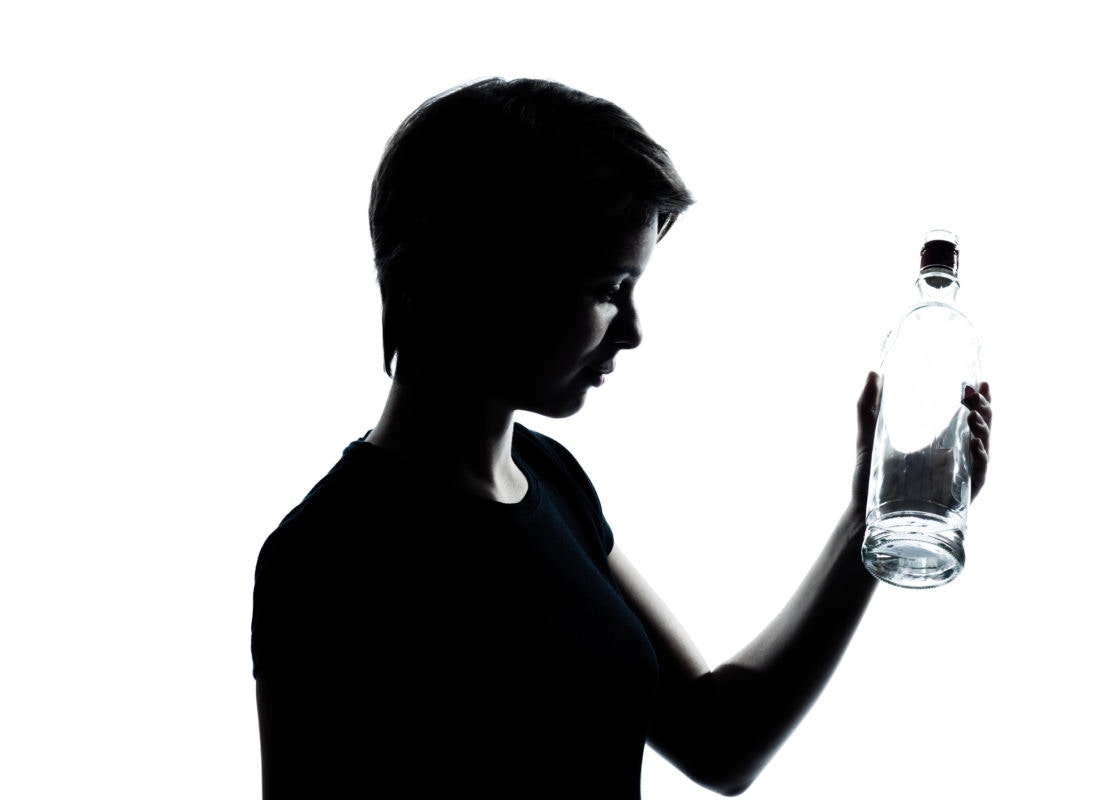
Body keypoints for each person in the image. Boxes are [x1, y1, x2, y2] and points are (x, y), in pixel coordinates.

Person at [250, 77, 993, 799]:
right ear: (474, 277)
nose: (633, 332)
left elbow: (719, 740)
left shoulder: (550, 479)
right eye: (608, 290)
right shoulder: (328, 559)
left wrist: (874, 510)